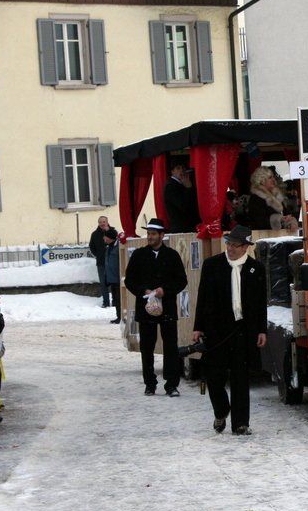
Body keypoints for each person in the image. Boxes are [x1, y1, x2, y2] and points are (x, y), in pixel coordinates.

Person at [193, 226, 267, 435]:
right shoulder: (212, 265)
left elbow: (260, 302)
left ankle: (241, 423)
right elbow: (202, 297)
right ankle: (221, 410)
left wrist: (261, 330)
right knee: (214, 375)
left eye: (235, 245)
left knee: (240, 377)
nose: (231, 248)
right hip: (216, 329)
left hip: (243, 329)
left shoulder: (256, 268)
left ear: (245, 247)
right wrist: (198, 327)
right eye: (229, 244)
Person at [124, 218, 188, 396]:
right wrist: (143, 290)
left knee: (170, 347)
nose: (150, 237)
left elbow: (181, 280)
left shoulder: (172, 255)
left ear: (161, 235)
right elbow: (130, 280)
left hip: (167, 307)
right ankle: (150, 384)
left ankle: (171, 384)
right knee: (147, 348)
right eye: (148, 234)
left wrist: (164, 290)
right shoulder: (139, 255)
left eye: (153, 234)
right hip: (145, 308)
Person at [247, 166, 298, 232]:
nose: (274, 180)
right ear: (262, 181)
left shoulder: (276, 195)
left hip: (280, 234)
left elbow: (285, 213)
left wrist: (290, 221)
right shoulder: (256, 198)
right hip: (264, 236)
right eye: (270, 178)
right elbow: (260, 221)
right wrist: (280, 219)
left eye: (273, 177)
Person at [163, 161, 202, 234]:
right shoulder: (171, 186)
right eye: (178, 168)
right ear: (172, 171)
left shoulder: (182, 183)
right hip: (181, 228)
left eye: (183, 168)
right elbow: (183, 205)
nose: (181, 170)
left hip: (189, 226)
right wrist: (188, 188)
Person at [89, 216, 115, 308]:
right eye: (100, 222)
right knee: (103, 283)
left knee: (114, 282)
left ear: (107, 222)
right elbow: (92, 247)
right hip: (101, 262)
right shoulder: (94, 234)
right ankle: (106, 302)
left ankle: (115, 301)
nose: (102, 223)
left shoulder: (113, 232)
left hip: (113, 262)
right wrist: (98, 255)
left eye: (104, 221)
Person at [103, 228, 121, 324]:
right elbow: (107, 263)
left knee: (119, 299)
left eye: (105, 236)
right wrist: (106, 277)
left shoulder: (119, 247)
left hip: (118, 278)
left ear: (110, 237)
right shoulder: (109, 247)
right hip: (112, 278)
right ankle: (118, 316)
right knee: (115, 299)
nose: (104, 238)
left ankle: (121, 317)